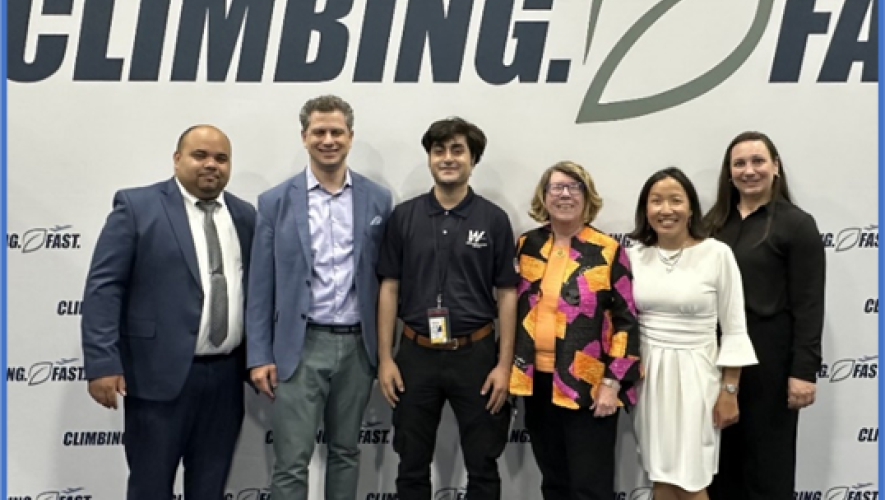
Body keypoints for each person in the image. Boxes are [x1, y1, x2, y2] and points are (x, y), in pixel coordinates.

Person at [81, 125, 255, 500]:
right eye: (200, 155)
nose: (211, 165)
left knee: (210, 487)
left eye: (221, 158)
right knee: (150, 487)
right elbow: (103, 288)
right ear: (177, 159)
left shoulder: (244, 216)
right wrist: (102, 363)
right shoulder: (136, 206)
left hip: (225, 378)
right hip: (157, 376)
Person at [247, 95, 392, 500]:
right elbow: (260, 285)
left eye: (336, 132)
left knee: (346, 452)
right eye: (319, 132)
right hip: (300, 345)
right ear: (304, 137)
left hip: (358, 347)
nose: (328, 140)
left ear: (350, 137)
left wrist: (384, 352)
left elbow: (386, 280)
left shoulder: (378, 199)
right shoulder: (276, 201)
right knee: (292, 459)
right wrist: (259, 355)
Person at [376, 117, 519, 500]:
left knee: (483, 464)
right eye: (439, 150)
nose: (448, 158)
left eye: (458, 150)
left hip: (476, 356)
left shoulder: (494, 219)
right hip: (415, 355)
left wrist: (504, 365)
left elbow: (507, 293)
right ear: (429, 158)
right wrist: (386, 359)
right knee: (410, 464)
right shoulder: (404, 217)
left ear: (473, 160)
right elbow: (389, 288)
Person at [509, 161, 642, 500]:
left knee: (590, 488)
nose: (565, 194)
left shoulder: (608, 250)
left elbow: (626, 321)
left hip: (589, 386)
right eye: (557, 187)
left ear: (587, 196)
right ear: (544, 196)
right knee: (554, 482)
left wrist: (613, 383)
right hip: (537, 384)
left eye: (574, 187)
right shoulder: (527, 245)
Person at [705, 132, 826, 500]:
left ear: (775, 167)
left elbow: (809, 304)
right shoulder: (712, 225)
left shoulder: (796, 224)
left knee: (766, 468)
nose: (749, 170)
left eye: (758, 161)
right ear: (729, 173)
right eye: (739, 163)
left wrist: (803, 371)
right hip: (713, 358)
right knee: (719, 468)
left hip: (769, 361)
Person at [627, 167, 758, 500]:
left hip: (699, 377)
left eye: (675, 200)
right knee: (660, 476)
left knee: (692, 478)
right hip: (649, 377)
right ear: (645, 209)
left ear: (691, 208)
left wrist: (730, 389)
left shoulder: (717, 254)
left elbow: (734, 327)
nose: (666, 209)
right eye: (656, 201)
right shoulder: (633, 256)